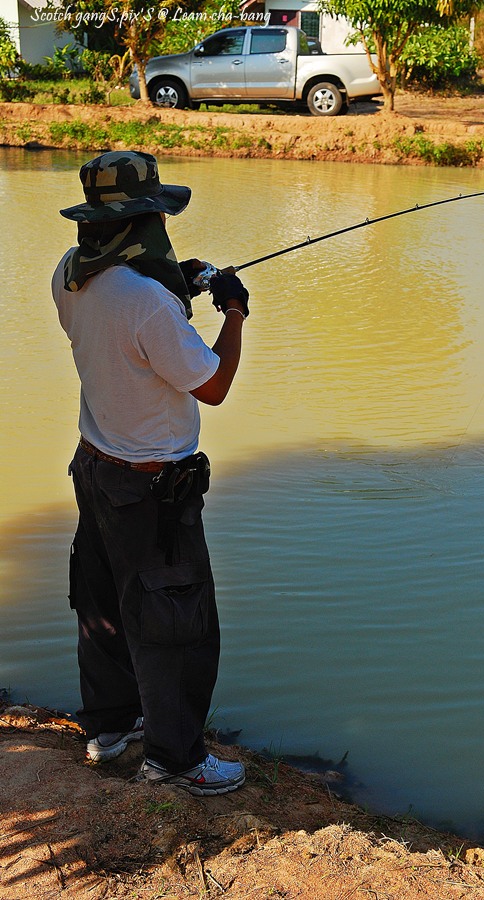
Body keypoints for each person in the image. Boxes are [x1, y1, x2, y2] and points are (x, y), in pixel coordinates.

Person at [52, 150, 249, 796]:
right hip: (153, 488)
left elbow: (128, 319)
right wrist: (233, 311)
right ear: (143, 221)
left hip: (96, 467)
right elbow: (213, 385)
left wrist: (174, 284)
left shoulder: (70, 277)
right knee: (175, 623)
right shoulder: (147, 304)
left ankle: (110, 731)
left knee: (104, 605)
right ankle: (177, 759)